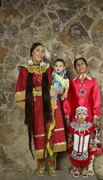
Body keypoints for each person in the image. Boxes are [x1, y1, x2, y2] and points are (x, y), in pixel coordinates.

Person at [15, 42, 66, 177]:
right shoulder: (25, 70)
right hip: (36, 106)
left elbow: (56, 83)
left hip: (50, 105)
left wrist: (59, 89)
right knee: (39, 133)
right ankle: (41, 165)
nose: (40, 53)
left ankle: (51, 164)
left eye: (42, 51)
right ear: (32, 52)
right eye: (37, 50)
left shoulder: (48, 68)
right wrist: (42, 93)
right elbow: (21, 91)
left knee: (52, 132)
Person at [63, 57, 103, 176]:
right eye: (78, 65)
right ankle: (77, 166)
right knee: (76, 143)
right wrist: (67, 115)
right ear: (75, 68)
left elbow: (97, 99)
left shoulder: (93, 81)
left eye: (82, 64)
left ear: (86, 66)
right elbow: (67, 100)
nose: (80, 66)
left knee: (89, 141)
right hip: (76, 119)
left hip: (90, 118)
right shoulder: (72, 82)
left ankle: (89, 165)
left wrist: (96, 115)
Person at [68, 106, 95, 178]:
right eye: (79, 114)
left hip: (85, 146)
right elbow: (70, 135)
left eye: (83, 114)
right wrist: (69, 142)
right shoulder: (73, 125)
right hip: (76, 145)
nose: (82, 116)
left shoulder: (89, 126)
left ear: (86, 115)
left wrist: (91, 143)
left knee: (85, 157)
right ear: (76, 116)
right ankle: (77, 168)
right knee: (76, 157)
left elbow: (91, 136)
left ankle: (84, 169)